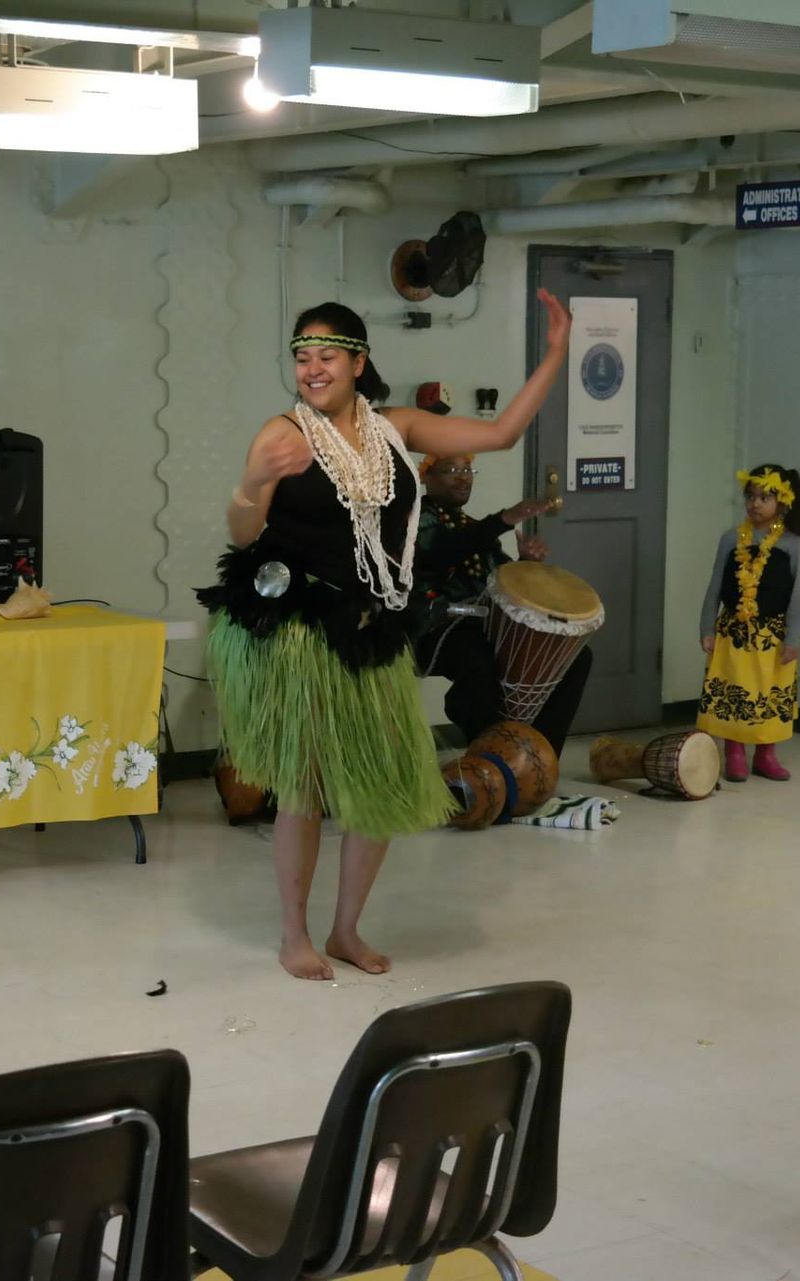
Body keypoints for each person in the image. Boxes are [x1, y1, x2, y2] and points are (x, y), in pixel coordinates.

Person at [200, 291, 571, 981]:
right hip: (302, 626)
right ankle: (293, 935)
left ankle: (345, 930)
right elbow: (244, 533)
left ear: (358, 361)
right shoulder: (283, 433)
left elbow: (500, 435)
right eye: (302, 357)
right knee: (305, 785)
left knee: (379, 778)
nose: (312, 369)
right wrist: (254, 479)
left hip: (374, 623)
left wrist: (555, 353)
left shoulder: (394, 428)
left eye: (326, 356)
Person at [410, 453, 591, 755]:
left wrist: (524, 562)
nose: (463, 477)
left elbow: (500, 581)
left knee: (574, 656)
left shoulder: (473, 527)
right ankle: (492, 757)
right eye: (451, 470)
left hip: (483, 627)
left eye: (468, 469)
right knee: (477, 654)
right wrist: (503, 520)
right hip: (433, 628)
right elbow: (441, 553)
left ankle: (539, 757)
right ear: (426, 477)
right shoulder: (416, 521)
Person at [697, 464, 800, 782]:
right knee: (735, 689)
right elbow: (715, 587)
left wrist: (794, 638)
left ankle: (765, 754)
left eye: (764, 498)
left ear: (781, 502)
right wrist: (707, 628)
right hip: (733, 633)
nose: (755, 504)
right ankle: (734, 752)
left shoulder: (792, 544)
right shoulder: (731, 539)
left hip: (772, 636)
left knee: (768, 693)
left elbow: (798, 596)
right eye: (750, 497)